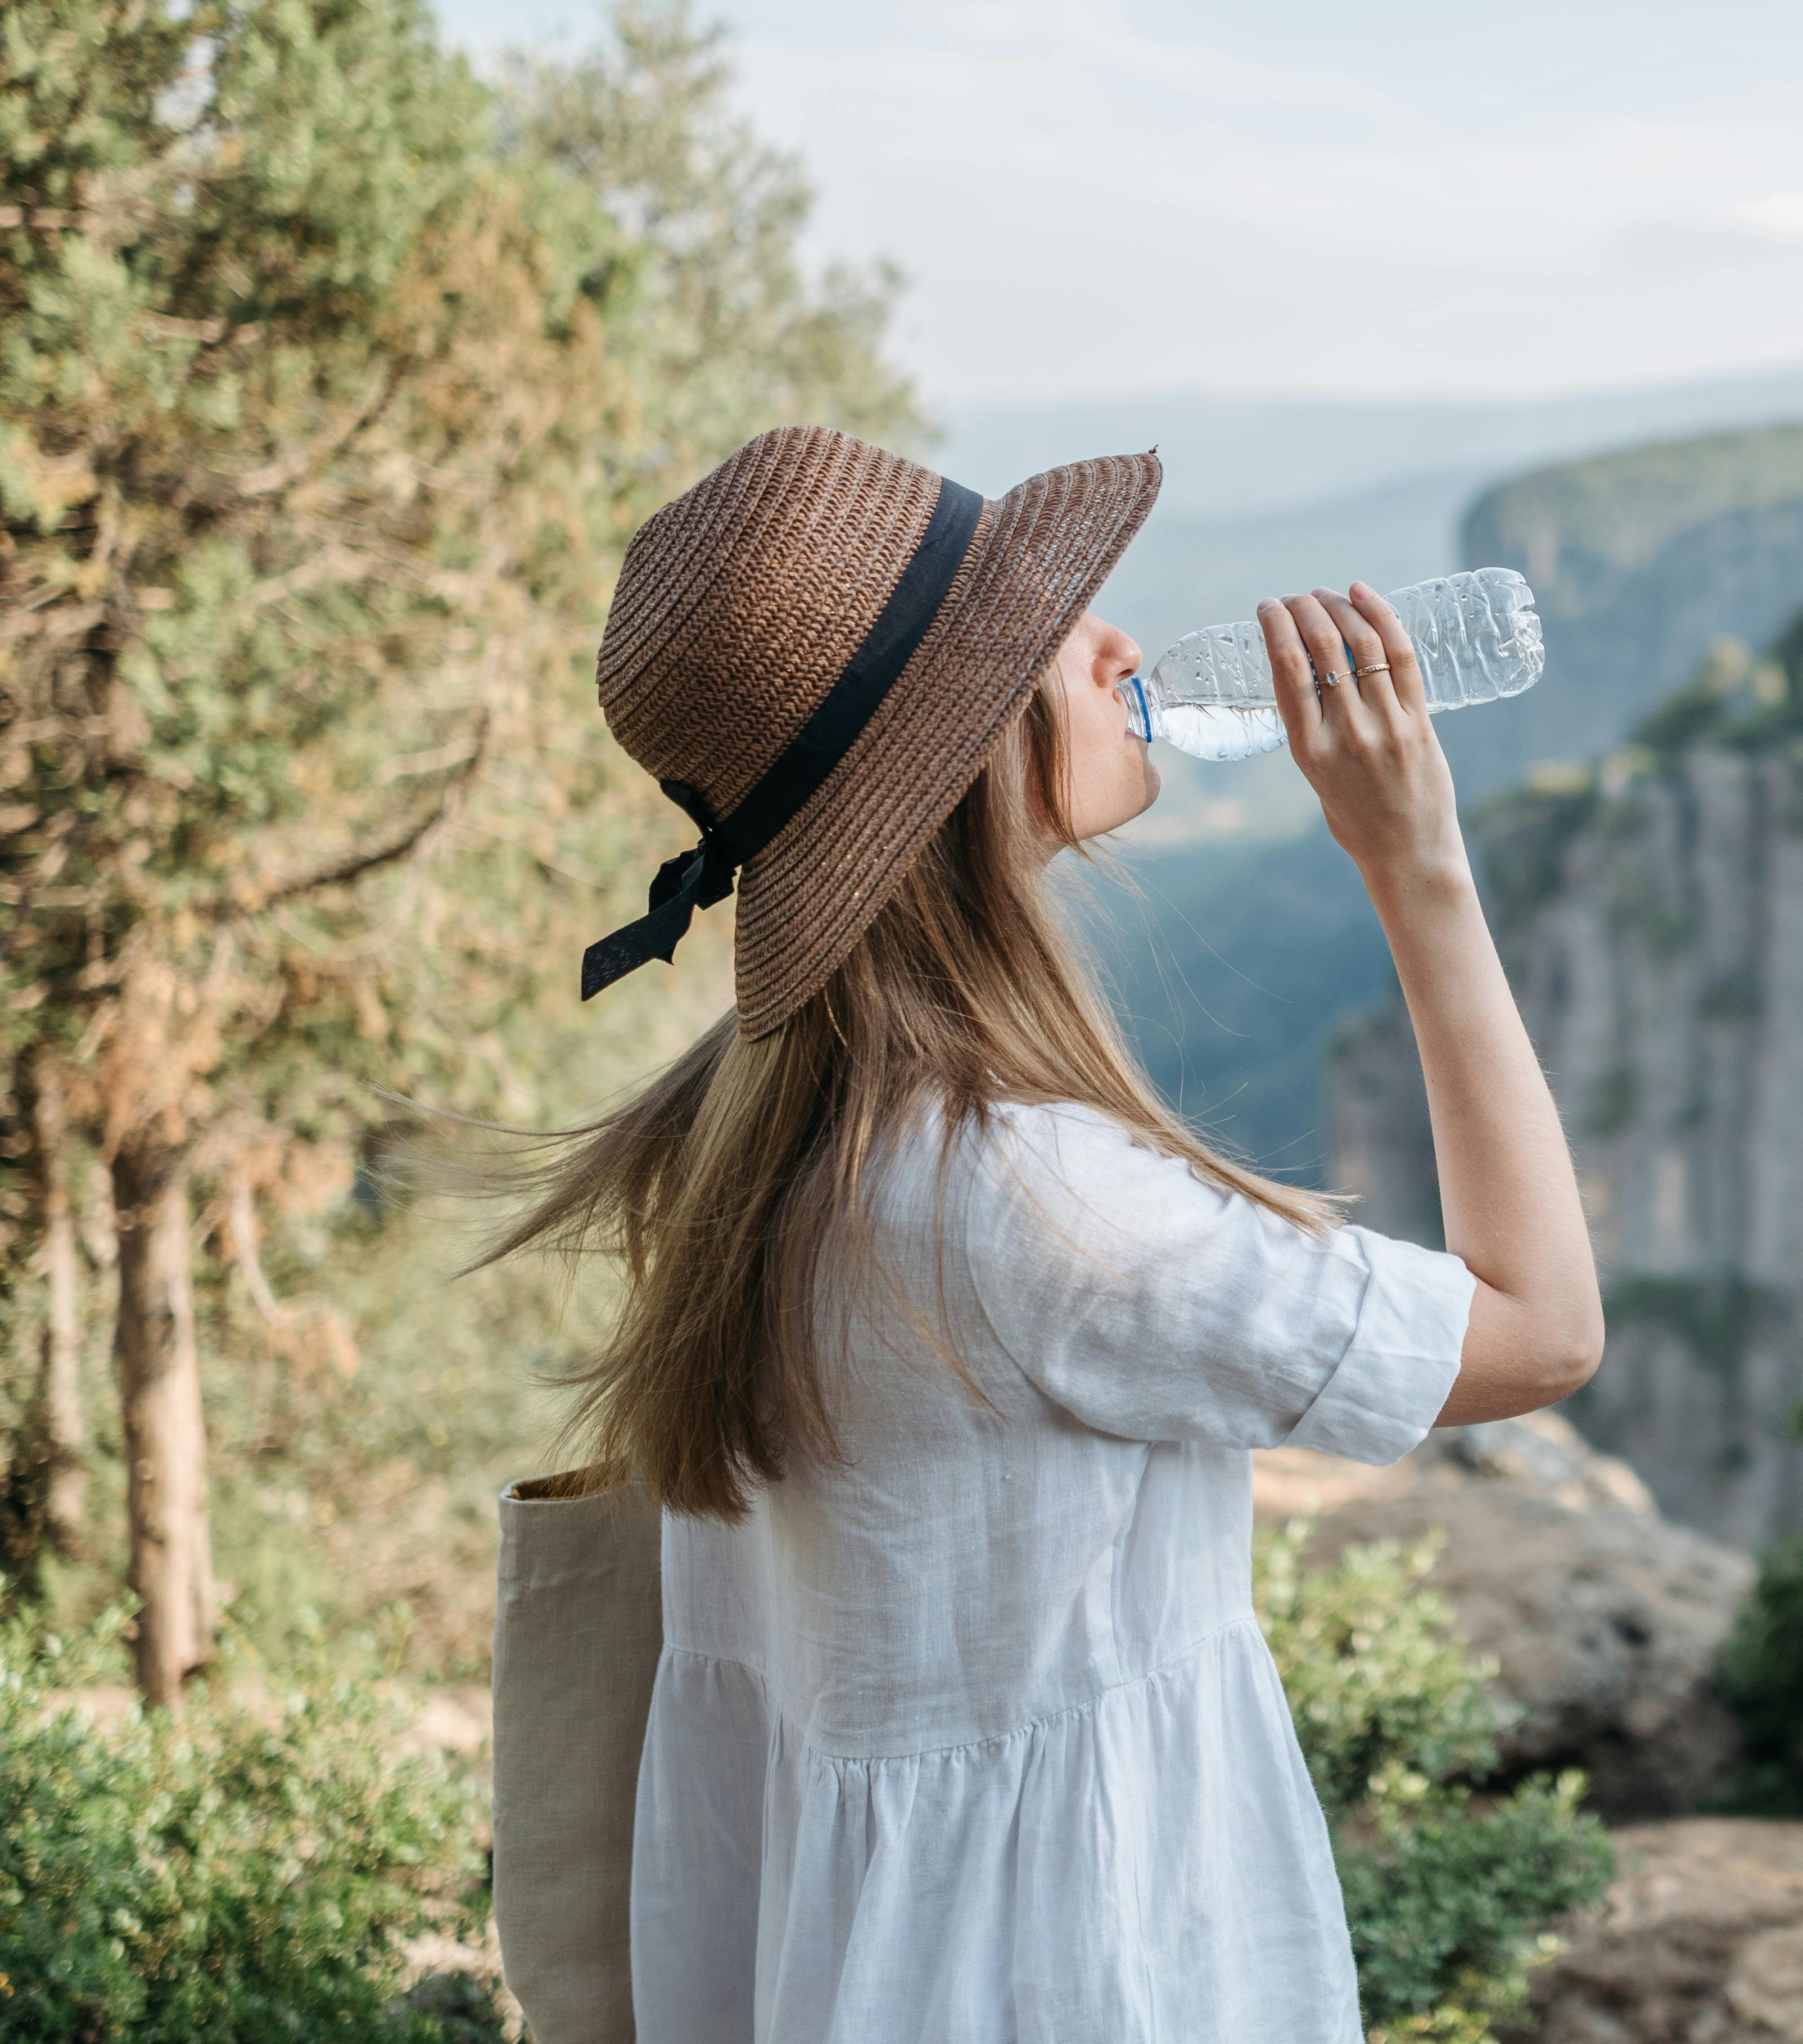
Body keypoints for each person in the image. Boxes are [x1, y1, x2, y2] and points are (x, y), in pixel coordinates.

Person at [477, 425, 1601, 2042]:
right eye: (1046, 637)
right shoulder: (1037, 1199)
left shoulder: (765, 1120)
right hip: (1074, 1975)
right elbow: (1545, 1327)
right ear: (952, 756)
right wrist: (1420, 866)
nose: (1117, 643)